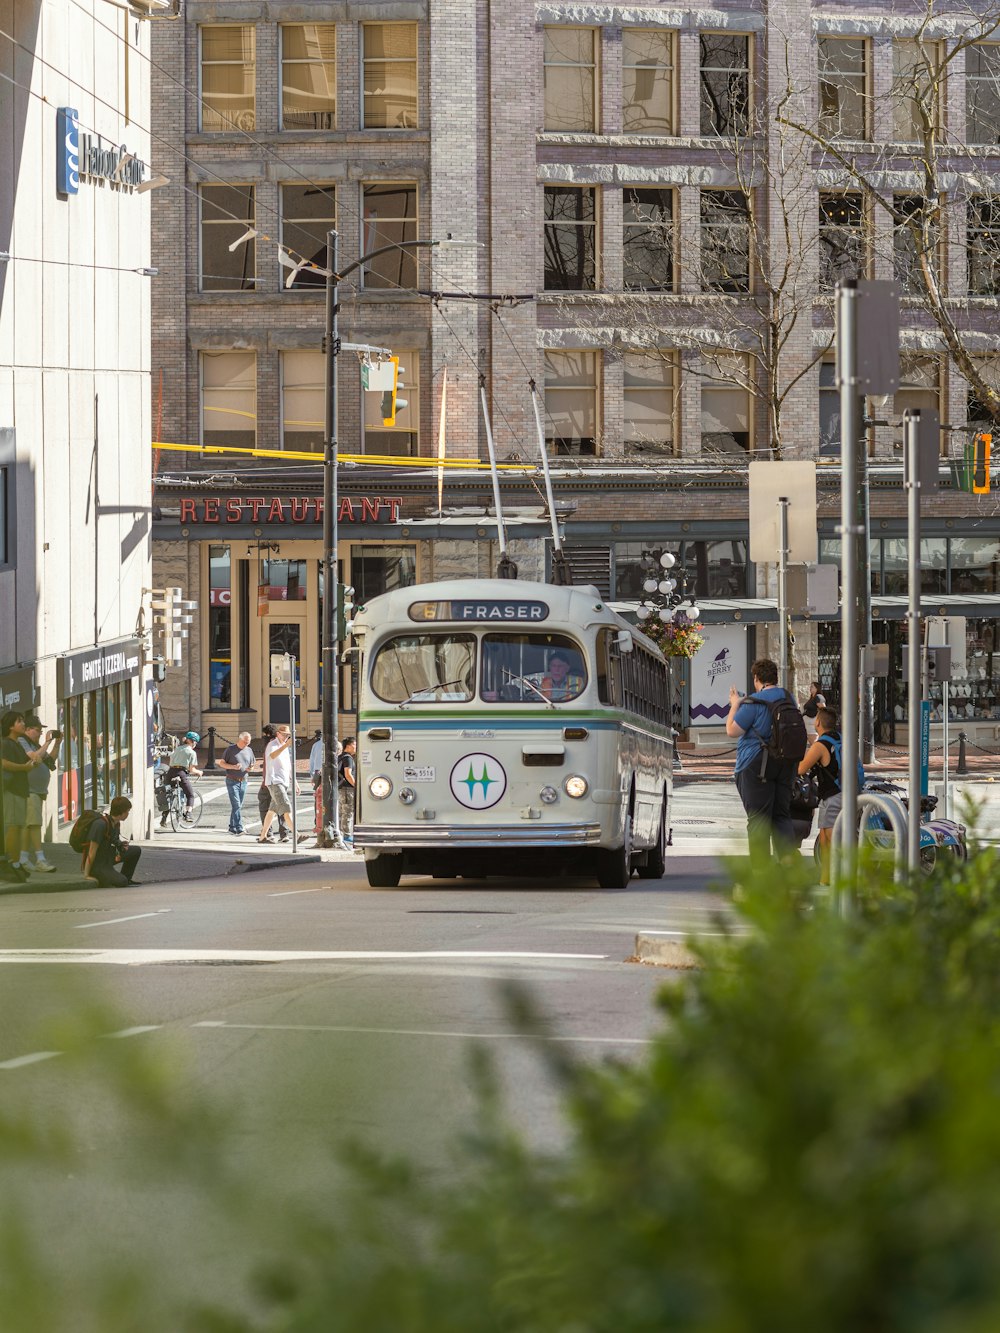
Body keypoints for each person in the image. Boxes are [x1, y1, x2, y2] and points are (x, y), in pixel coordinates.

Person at [725, 658, 797, 865]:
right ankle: (789, 868)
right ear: (775, 677)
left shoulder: (754, 702)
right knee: (781, 815)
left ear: (756, 678)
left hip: (757, 765)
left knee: (758, 820)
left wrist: (735, 705)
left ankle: (761, 874)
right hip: (786, 763)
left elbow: (732, 730)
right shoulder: (788, 697)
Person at [798, 707, 860, 887]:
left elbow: (801, 769)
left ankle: (838, 877)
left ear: (818, 722)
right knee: (827, 837)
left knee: (831, 839)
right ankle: (828, 877)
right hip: (845, 792)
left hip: (833, 795)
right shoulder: (840, 739)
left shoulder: (820, 745)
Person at [18, 716, 61, 873]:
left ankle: (23, 859)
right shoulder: (22, 742)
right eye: (38, 730)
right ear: (27, 729)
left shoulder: (35, 744)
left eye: (42, 731)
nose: (41, 734)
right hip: (30, 790)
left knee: (28, 826)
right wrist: (48, 742)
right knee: (34, 824)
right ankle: (39, 859)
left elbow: (50, 761)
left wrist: (57, 743)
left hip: (38, 791)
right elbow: (35, 757)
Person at [1, 711, 38, 879]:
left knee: (18, 826)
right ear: (10, 726)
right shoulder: (6, 743)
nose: (23, 724)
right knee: (14, 827)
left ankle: (15, 863)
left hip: (20, 790)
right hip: (13, 790)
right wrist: (24, 768)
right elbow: (4, 763)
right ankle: (12, 863)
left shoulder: (17, 743)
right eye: (19, 721)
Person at [82, 796, 141, 887]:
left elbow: (112, 841)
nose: (128, 814)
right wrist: (86, 875)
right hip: (99, 864)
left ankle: (126, 878)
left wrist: (121, 845)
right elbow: (91, 852)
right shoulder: (100, 824)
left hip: (108, 857)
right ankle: (108, 877)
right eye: (127, 811)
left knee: (136, 850)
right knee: (122, 881)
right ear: (121, 812)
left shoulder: (116, 823)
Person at [259, 724, 297, 843]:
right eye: (284, 735)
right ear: (278, 734)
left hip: (283, 781)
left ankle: (263, 836)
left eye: (288, 735)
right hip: (275, 781)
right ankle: (297, 835)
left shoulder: (284, 747)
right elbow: (273, 755)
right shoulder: (272, 744)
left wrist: (294, 781)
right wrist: (286, 745)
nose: (286, 737)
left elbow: (288, 766)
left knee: (272, 811)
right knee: (286, 808)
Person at [162, 730, 202, 826]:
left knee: (168, 795)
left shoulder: (177, 749)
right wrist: (199, 772)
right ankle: (188, 814)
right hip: (181, 773)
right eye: (195, 742)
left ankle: (163, 819)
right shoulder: (191, 752)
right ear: (193, 742)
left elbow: (171, 762)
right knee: (190, 795)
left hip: (170, 772)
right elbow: (191, 770)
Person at [218, 730, 254, 835]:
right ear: (240, 739)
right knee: (237, 805)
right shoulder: (231, 749)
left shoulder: (249, 750)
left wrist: (250, 769)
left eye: (249, 742)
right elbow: (222, 763)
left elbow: (252, 765)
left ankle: (231, 827)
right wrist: (233, 767)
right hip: (231, 780)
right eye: (245, 742)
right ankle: (239, 827)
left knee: (237, 806)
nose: (247, 744)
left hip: (243, 781)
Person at [257, 723, 277, 837]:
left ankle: (267, 832)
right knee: (280, 807)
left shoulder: (269, 745)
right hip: (281, 781)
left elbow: (267, 766)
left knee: (264, 805)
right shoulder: (282, 745)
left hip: (270, 781)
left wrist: (264, 781)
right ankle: (284, 833)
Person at [337, 736, 357, 845]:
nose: (356, 747)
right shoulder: (348, 758)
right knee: (348, 812)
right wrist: (356, 786)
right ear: (348, 746)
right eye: (354, 744)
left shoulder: (340, 757)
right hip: (347, 789)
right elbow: (348, 774)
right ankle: (347, 835)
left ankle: (341, 834)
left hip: (341, 788)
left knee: (342, 812)